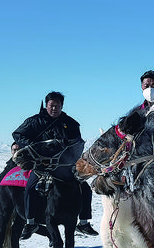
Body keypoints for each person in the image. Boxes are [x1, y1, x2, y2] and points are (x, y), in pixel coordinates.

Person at [11, 91, 97, 237]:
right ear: (46, 105)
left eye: (57, 105)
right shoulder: (35, 121)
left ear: (62, 106)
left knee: (85, 189)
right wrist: (34, 146)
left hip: (63, 166)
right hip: (40, 164)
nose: (54, 108)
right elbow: (17, 134)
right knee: (30, 188)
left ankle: (83, 223)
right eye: (51, 105)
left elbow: (77, 144)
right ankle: (30, 223)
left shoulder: (70, 123)